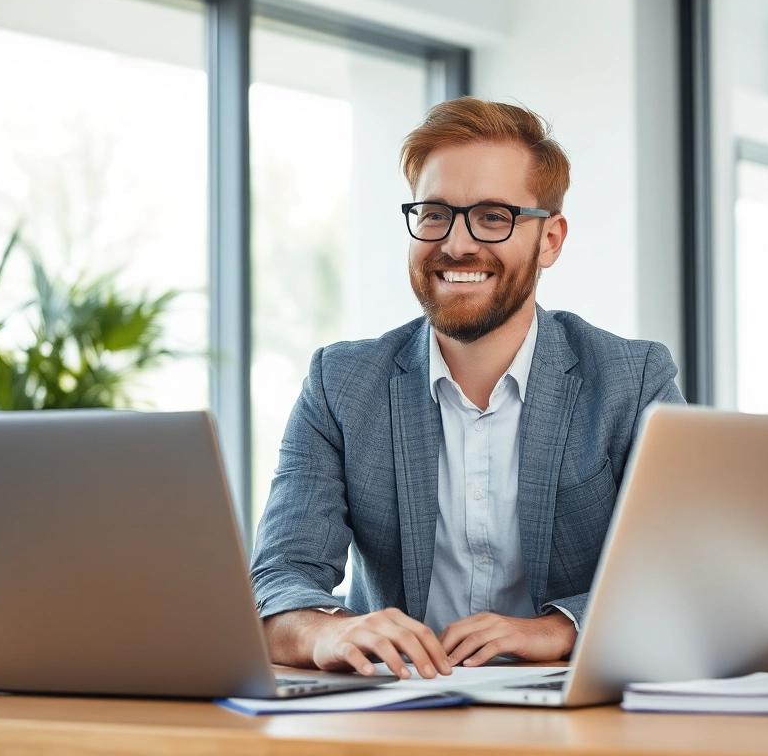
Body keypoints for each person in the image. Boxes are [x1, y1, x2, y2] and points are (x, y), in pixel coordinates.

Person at [250, 97, 685, 680]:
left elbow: (683, 575)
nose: (456, 244)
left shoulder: (630, 382)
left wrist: (558, 629)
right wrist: (328, 630)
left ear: (550, 239)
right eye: (434, 214)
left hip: (573, 714)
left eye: (493, 216)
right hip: (397, 711)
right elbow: (278, 580)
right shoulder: (342, 384)